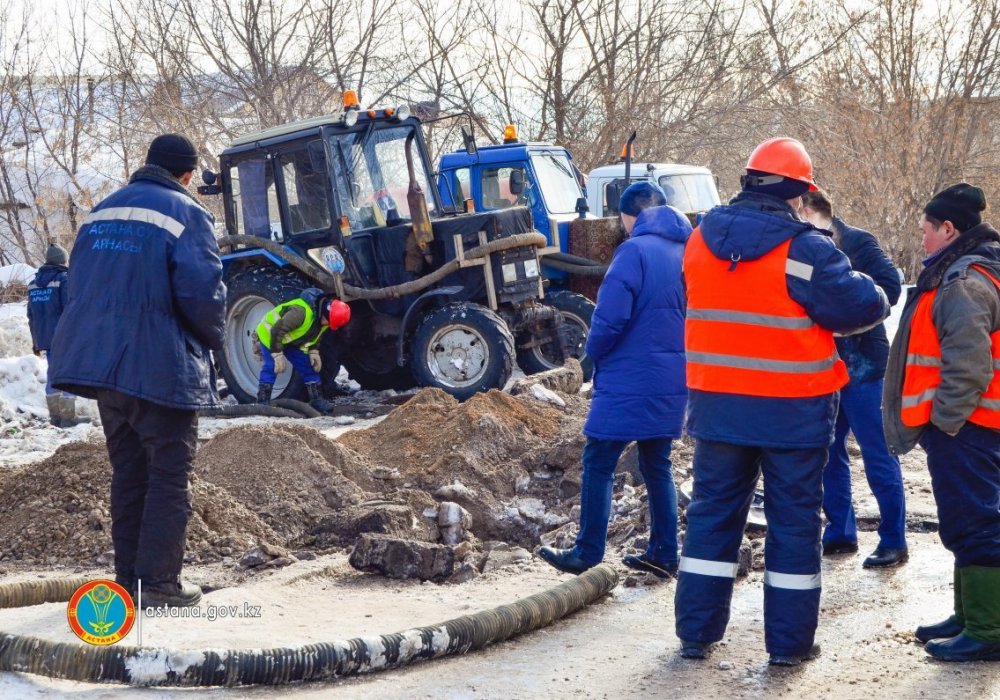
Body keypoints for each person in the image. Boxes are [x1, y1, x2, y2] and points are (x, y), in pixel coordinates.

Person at [675, 137, 889, 666]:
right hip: (792, 413)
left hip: (718, 409)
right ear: (799, 194)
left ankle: (696, 635)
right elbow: (863, 305)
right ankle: (789, 649)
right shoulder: (805, 249)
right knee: (793, 526)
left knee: (711, 519)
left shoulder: (700, 240)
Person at [50, 133, 225, 608]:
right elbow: (202, 294)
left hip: (104, 367)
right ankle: (160, 585)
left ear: (147, 164)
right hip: (159, 368)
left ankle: (128, 579)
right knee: (169, 474)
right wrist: (218, 343)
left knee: (128, 473)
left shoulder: (100, 213)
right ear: (187, 175)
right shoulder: (188, 214)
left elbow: (79, 285)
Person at [539, 182, 690, 578]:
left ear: (630, 216)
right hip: (673, 376)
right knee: (656, 461)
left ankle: (587, 553)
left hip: (629, 376)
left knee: (599, 459)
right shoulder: (686, 252)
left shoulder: (633, 252)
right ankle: (665, 552)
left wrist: (594, 355)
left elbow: (609, 319)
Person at [883, 183, 1000, 662]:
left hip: (969, 427)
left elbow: (969, 365)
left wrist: (947, 422)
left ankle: (987, 629)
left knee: (975, 523)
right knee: (965, 520)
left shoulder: (964, 281)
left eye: (926, 231)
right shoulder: (973, 270)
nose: (923, 239)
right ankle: (969, 616)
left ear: (948, 228)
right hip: (975, 425)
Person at [800, 190, 907, 567]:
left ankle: (894, 540)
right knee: (829, 455)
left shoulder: (858, 241)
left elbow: (891, 288)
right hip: (825, 367)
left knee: (878, 454)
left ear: (810, 209)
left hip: (864, 366)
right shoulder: (803, 247)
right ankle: (840, 533)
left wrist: (854, 320)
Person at [255, 288, 351, 412]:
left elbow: (316, 336)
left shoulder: (323, 320)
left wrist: (313, 351)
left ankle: (316, 400)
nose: (327, 325)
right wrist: (277, 354)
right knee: (271, 366)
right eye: (329, 322)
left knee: (308, 367)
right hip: (270, 335)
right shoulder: (300, 312)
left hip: (290, 341)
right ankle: (263, 401)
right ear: (325, 314)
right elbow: (277, 330)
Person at [27, 243, 81, 428]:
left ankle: (55, 417)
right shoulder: (63, 279)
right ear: (62, 260)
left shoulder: (33, 284)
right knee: (67, 374)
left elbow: (31, 315)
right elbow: (70, 309)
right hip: (63, 336)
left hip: (45, 338)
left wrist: (35, 341)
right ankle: (68, 418)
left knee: (53, 373)